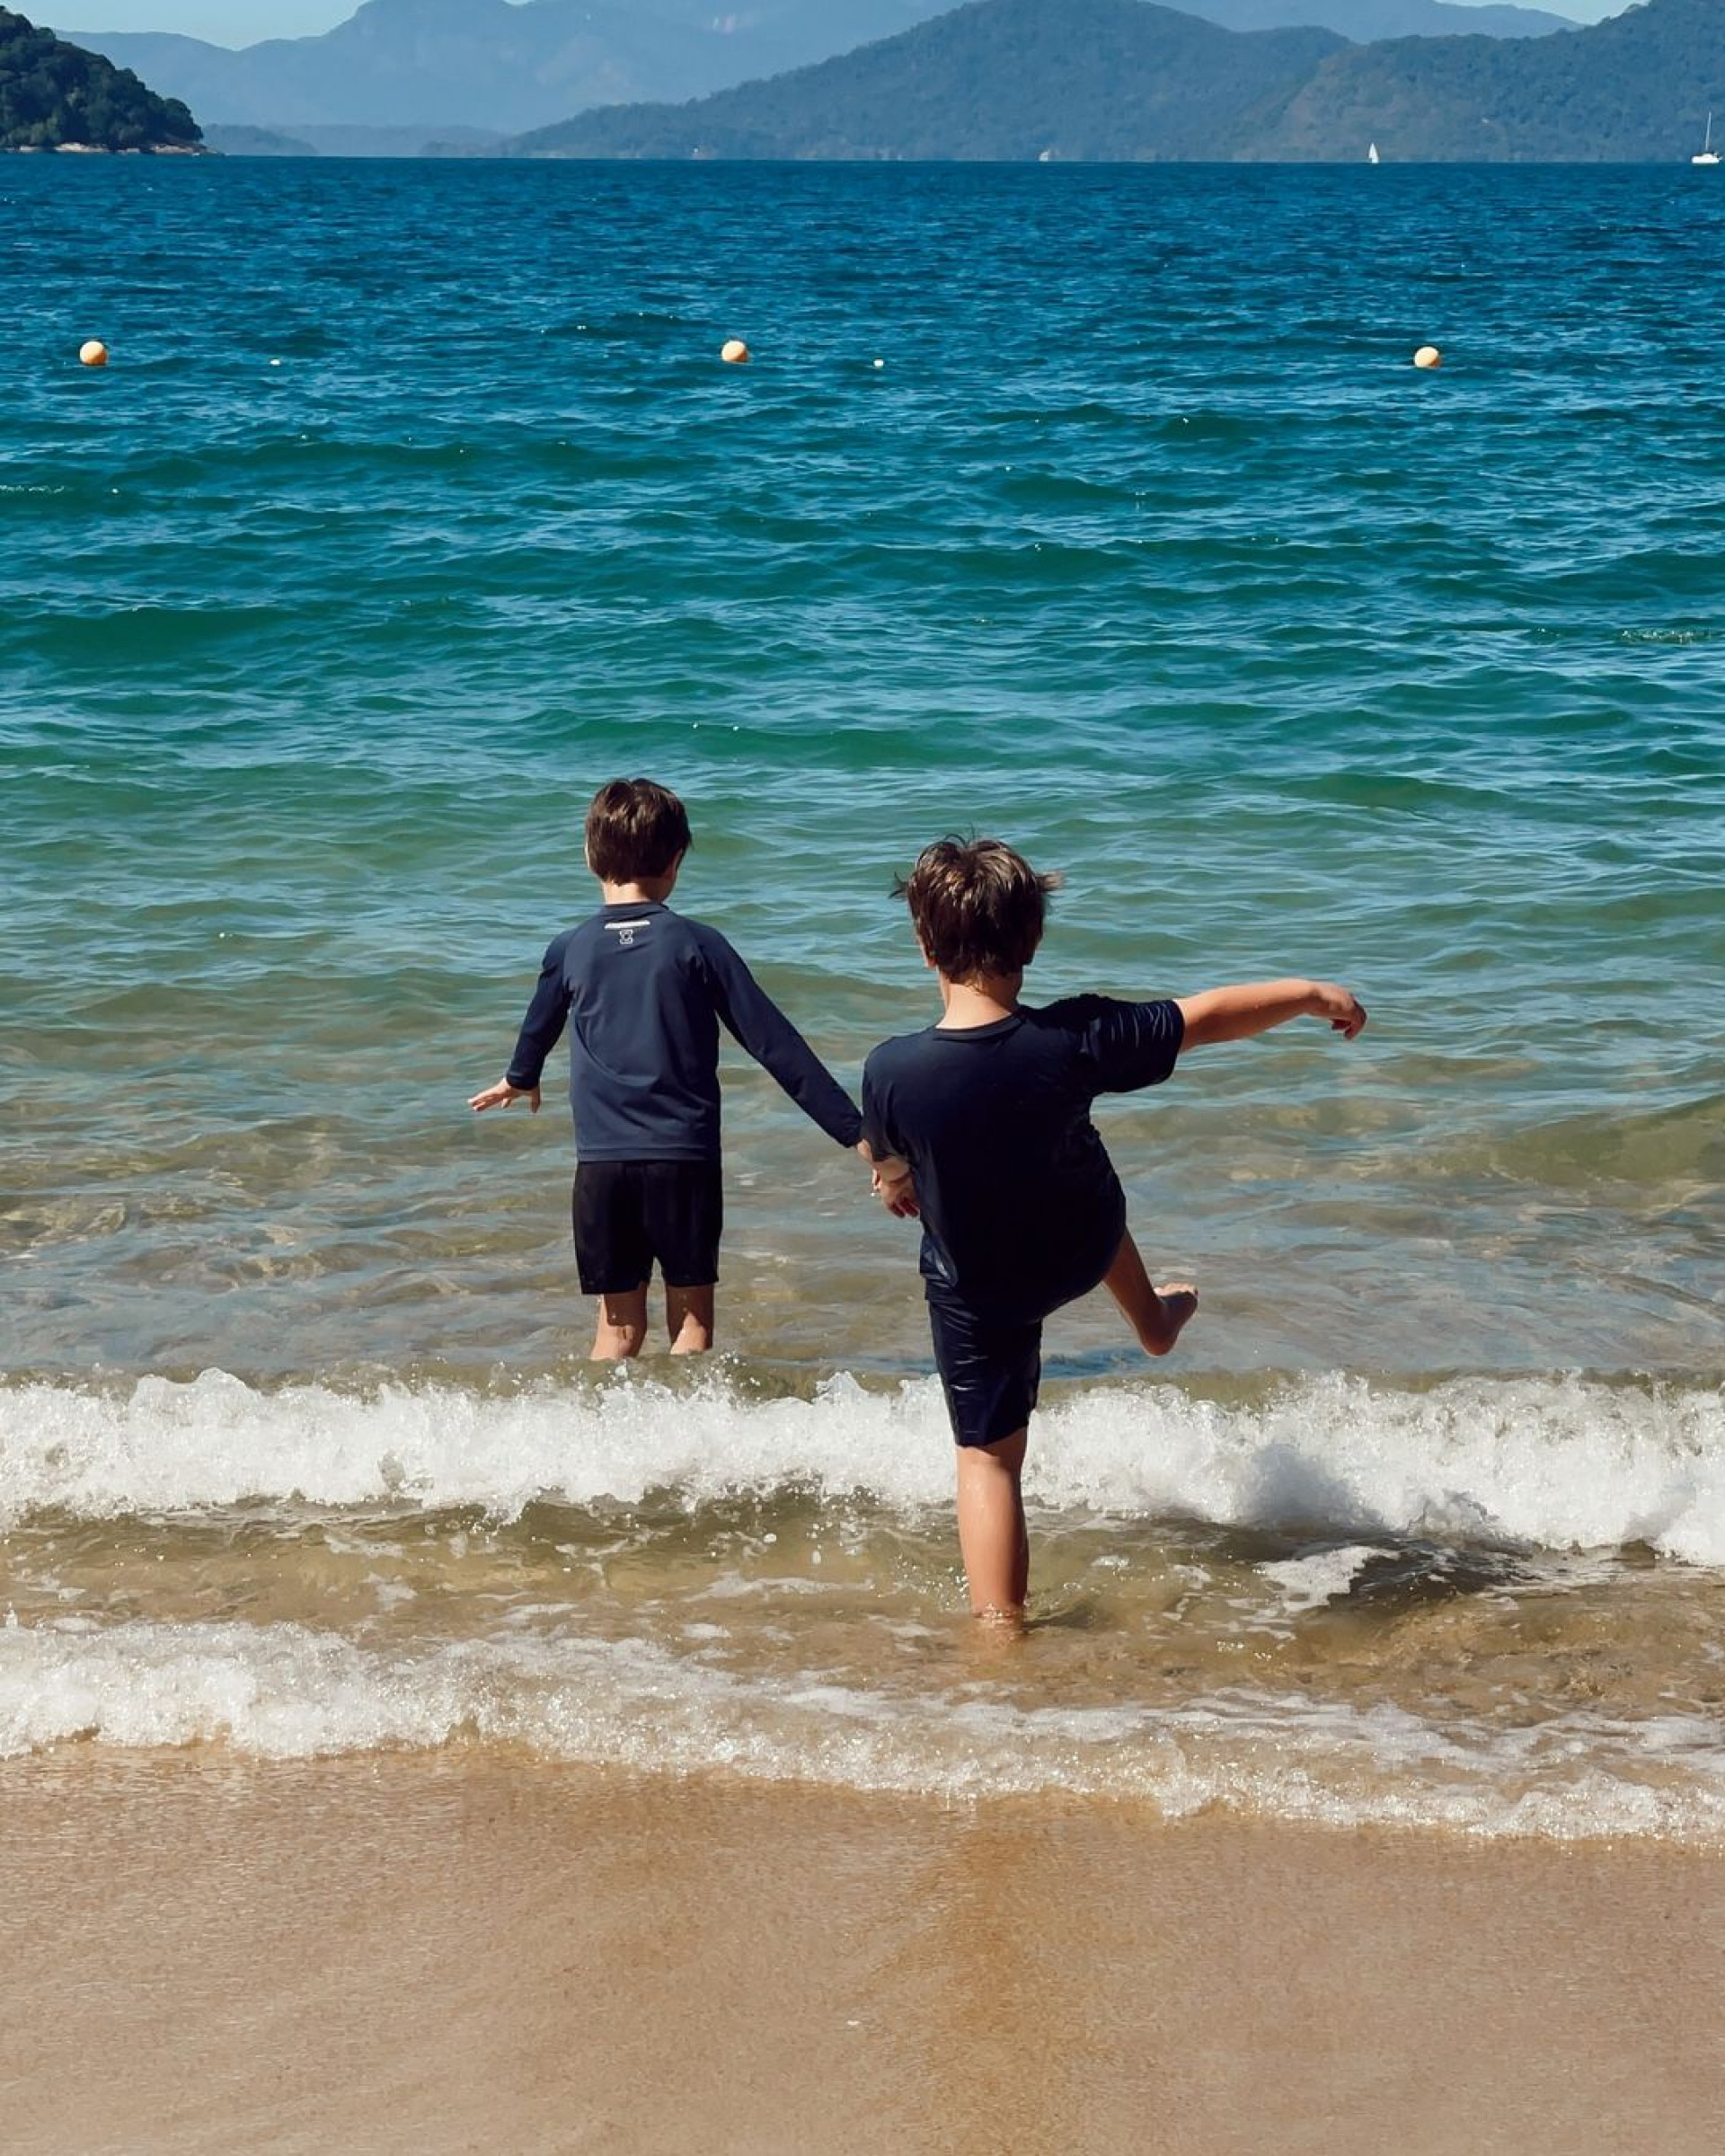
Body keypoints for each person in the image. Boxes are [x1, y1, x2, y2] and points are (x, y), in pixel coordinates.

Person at [861, 836, 1367, 1628]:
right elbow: (1205, 1019)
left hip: (984, 1285)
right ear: (1030, 941)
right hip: (1080, 1242)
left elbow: (892, 1166)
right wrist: (1310, 994)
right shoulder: (1075, 1038)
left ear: (925, 943)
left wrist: (894, 1184)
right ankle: (1153, 1320)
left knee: (988, 1460)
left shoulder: (891, 1070)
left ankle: (1000, 1630)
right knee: (1079, 1175)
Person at [470, 778, 896, 1359]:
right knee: (691, 1329)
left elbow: (539, 1025)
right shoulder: (698, 945)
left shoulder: (568, 948)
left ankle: (603, 1444)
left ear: (589, 856)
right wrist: (858, 1135)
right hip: (683, 1163)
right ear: (675, 863)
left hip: (602, 1170)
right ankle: (689, 1444)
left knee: (616, 1332)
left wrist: (520, 1077)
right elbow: (777, 1047)